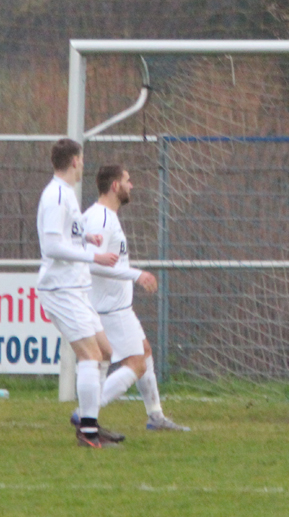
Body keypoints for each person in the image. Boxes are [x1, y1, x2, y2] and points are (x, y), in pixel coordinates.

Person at [79, 165, 190, 432]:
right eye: (128, 181)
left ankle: (155, 416)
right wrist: (136, 274)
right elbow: (90, 263)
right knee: (137, 363)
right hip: (110, 308)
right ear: (115, 186)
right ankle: (86, 411)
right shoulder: (102, 219)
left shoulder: (104, 216)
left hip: (117, 307)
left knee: (145, 352)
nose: (133, 185)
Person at [36, 138, 121, 448]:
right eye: (81, 159)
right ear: (74, 161)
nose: (83, 164)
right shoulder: (56, 195)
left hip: (76, 287)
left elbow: (68, 234)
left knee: (105, 352)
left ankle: (91, 421)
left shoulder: (67, 195)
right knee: (90, 355)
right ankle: (87, 434)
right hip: (61, 288)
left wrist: (87, 235)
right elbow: (52, 246)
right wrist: (93, 255)